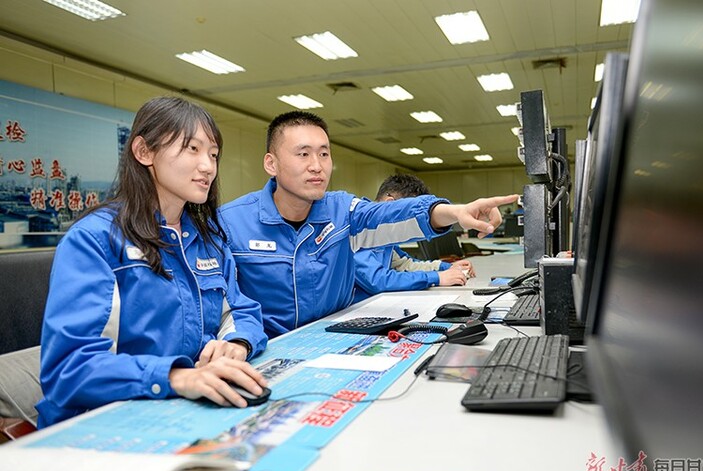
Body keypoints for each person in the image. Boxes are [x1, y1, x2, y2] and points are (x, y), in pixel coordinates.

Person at [36, 96, 269, 429]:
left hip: (182, 408)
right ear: (144, 152)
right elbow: (69, 370)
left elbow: (241, 311)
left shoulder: (208, 241)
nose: (207, 166)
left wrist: (237, 343)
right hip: (100, 422)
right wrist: (175, 377)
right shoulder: (94, 240)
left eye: (213, 154)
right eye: (192, 149)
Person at [218, 111, 517, 339]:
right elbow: (224, 309)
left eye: (324, 154)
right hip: (268, 347)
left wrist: (454, 212)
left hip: (335, 337)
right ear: (271, 164)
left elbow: (388, 215)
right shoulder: (231, 223)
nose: (317, 165)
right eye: (303, 154)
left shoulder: (341, 212)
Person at [352, 173, 476, 303]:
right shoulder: (357, 226)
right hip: (354, 310)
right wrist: (436, 278)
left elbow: (404, 264)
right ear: (390, 204)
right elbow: (377, 280)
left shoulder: (382, 233)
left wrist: (446, 267)